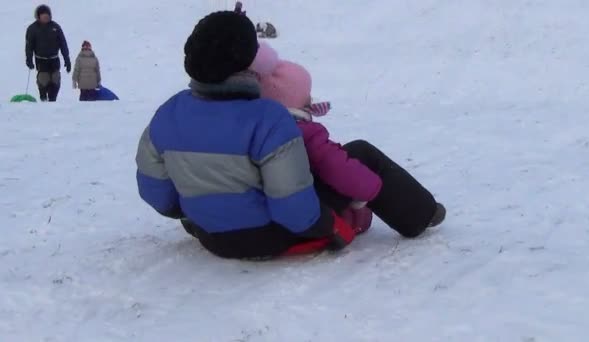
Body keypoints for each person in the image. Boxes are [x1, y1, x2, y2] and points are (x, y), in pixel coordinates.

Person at [135, 11, 355, 260]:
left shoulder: (168, 113)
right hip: (267, 237)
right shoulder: (268, 117)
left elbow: (155, 191)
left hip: (209, 236)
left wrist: (193, 210)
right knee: (347, 163)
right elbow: (294, 209)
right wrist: (327, 224)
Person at [250, 42, 447, 238]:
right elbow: (335, 166)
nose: (311, 99)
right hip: (297, 214)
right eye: (306, 96)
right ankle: (421, 214)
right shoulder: (303, 132)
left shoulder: (256, 127)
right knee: (361, 154)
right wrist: (370, 189)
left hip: (267, 210)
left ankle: (356, 215)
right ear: (294, 103)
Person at [25, 4, 71, 102]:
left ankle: (52, 99)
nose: (46, 16)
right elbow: (29, 46)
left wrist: (67, 59)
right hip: (41, 60)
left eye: (47, 14)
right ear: (38, 16)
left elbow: (63, 44)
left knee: (55, 79)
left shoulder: (55, 27)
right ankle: (43, 97)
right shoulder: (32, 29)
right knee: (43, 79)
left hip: (54, 59)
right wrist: (29, 59)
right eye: (43, 15)